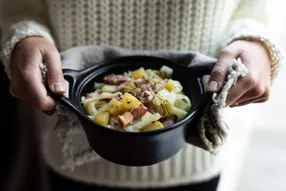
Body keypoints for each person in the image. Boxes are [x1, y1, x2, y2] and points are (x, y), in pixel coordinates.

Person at [1, 0, 283, 191]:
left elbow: (253, 9)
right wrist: (26, 37)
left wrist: (254, 41)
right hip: (71, 158)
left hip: (193, 164)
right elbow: (21, 7)